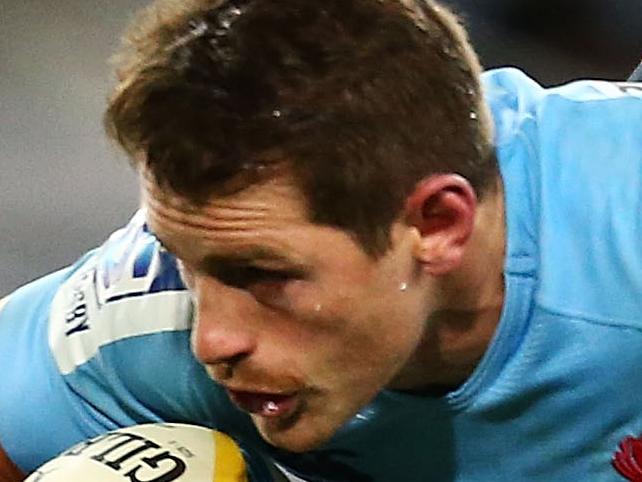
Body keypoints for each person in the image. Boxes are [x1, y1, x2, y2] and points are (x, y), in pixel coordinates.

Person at [1, 0, 641, 480]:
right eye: (184, 261)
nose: (211, 341)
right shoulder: (142, 332)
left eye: (264, 275)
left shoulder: (622, 244)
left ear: (438, 223)